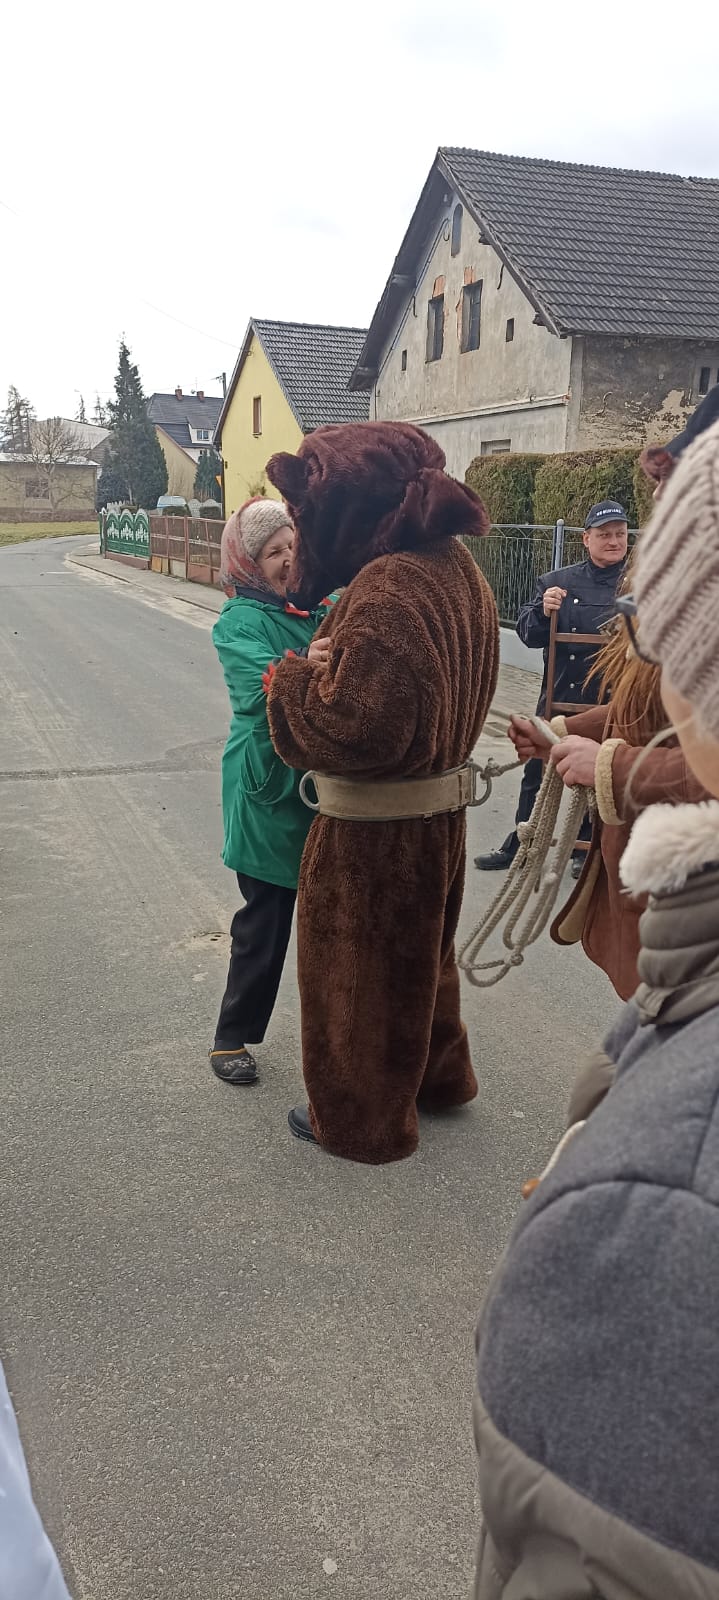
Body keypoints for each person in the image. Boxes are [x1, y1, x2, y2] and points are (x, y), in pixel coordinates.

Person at [472, 415, 719, 1597]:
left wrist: (607, 769)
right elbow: (637, 713)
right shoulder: (580, 591)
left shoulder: (671, 1210)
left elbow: (662, 739)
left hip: (646, 870)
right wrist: (567, 734)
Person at [264, 421, 500, 1163]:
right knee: (420, 954)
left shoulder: (387, 588)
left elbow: (359, 733)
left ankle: (360, 1118)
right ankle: (436, 1077)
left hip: (375, 826)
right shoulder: (454, 566)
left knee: (356, 969)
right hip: (436, 810)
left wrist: (295, 680)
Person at [209, 499, 330, 1084]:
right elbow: (264, 686)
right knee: (266, 921)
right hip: (267, 785)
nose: (287, 559)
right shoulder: (238, 622)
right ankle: (230, 1037)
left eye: (292, 547)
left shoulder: (321, 606)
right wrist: (309, 660)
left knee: (333, 925)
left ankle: (336, 1045)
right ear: (249, 563)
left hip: (324, 785)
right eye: (273, 552)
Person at [475, 499, 628, 878]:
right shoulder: (556, 581)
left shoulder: (638, 582)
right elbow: (527, 633)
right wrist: (543, 610)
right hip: (560, 694)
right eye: (604, 535)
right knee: (536, 773)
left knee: (600, 775)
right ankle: (523, 842)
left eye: (620, 534)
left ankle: (586, 848)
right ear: (586, 539)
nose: (613, 541)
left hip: (610, 702)